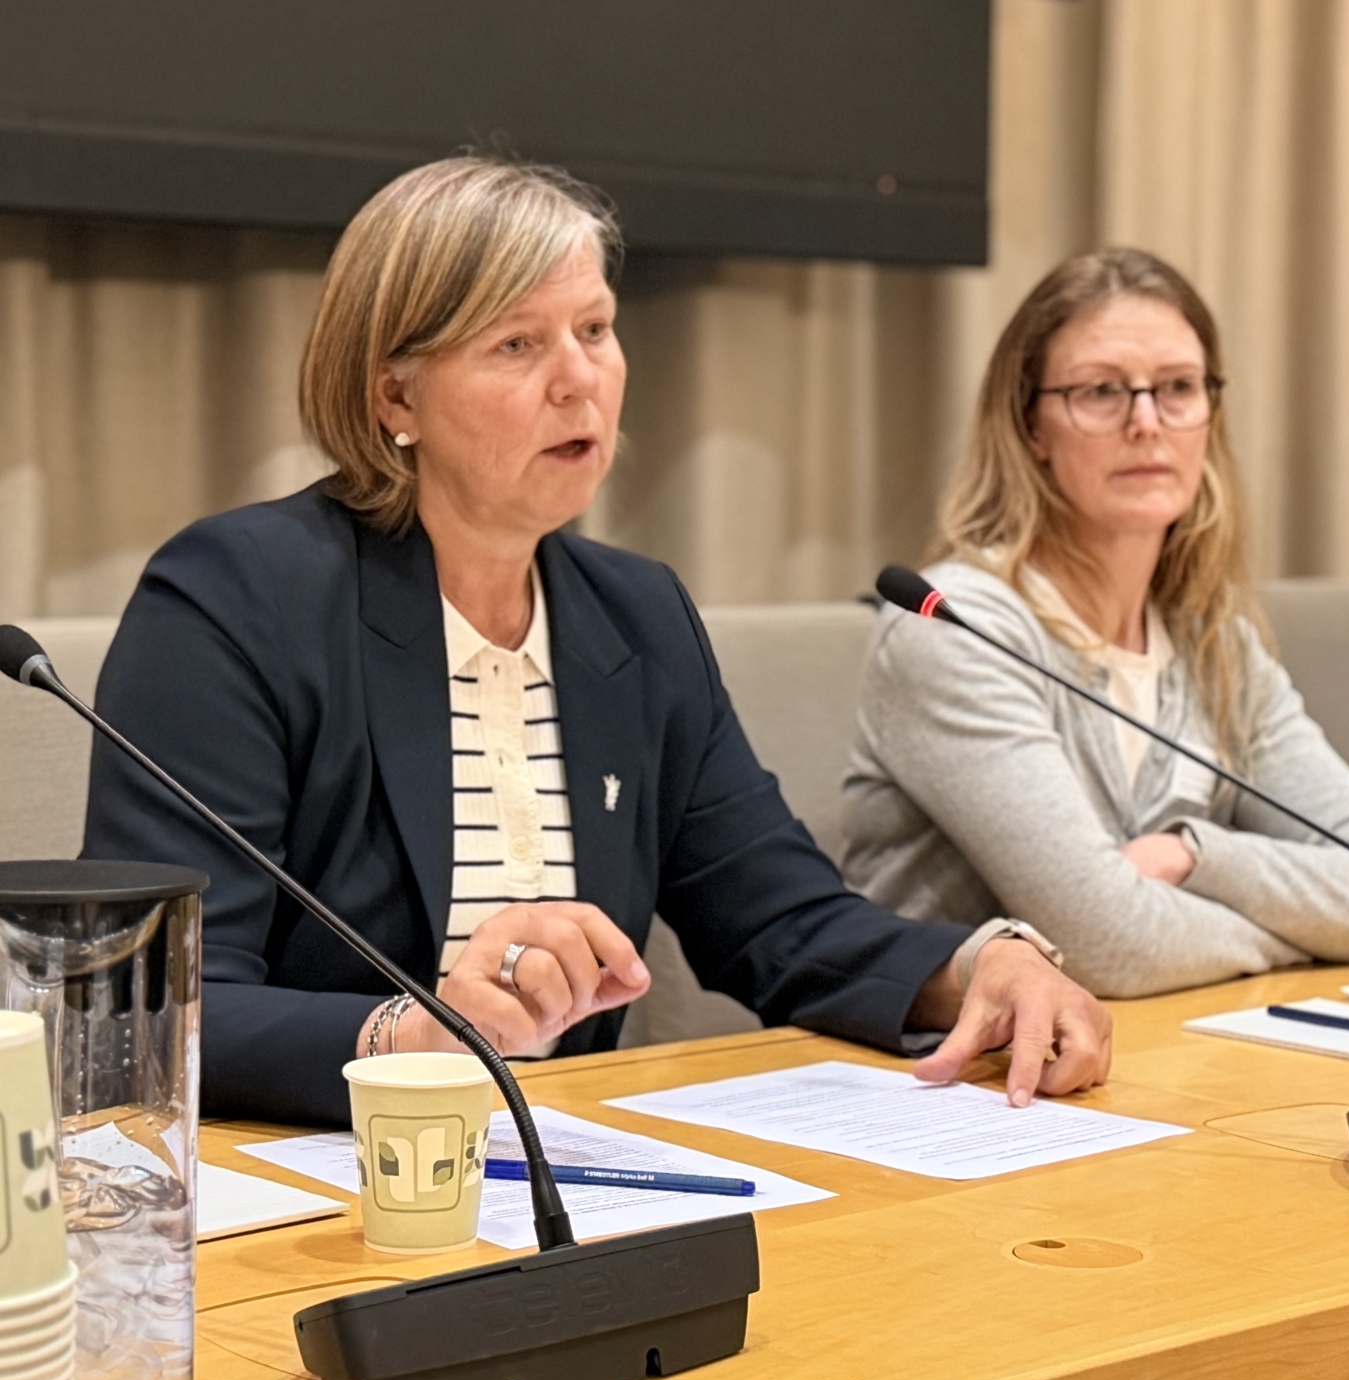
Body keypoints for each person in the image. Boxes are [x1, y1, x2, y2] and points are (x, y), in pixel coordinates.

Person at [82, 157, 1109, 1126]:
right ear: (396, 396)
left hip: (568, 1165)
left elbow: (781, 920)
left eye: (596, 329)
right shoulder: (237, 599)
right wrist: (416, 1037)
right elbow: (154, 1005)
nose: (581, 379)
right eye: (517, 344)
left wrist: (983, 965)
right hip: (317, 1176)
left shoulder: (636, 615)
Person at [840, 249, 1349, 997]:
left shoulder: (1213, 643)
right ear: (1030, 426)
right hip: (955, 1060)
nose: (1147, 423)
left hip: (1161, 1044)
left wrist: (1197, 856)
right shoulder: (957, 629)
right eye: (1101, 391)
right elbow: (1107, 945)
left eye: (1178, 388)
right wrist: (1308, 940)